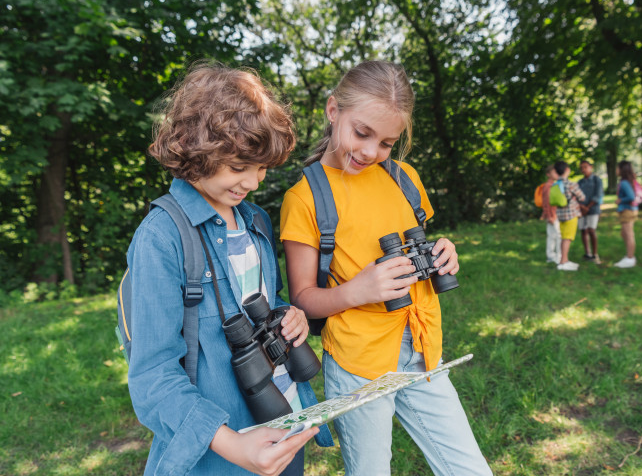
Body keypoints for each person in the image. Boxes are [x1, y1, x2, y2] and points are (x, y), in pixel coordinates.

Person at [280, 61, 492, 476]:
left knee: (469, 468)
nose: (370, 152)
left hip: (423, 349)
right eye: (362, 133)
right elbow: (303, 300)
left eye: (386, 143)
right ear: (332, 110)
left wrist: (442, 251)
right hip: (359, 363)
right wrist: (359, 290)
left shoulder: (403, 178)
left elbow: (417, 246)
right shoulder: (305, 197)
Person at [125, 61, 332, 476]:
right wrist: (234, 446)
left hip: (284, 424)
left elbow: (262, 300)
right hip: (222, 450)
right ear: (197, 151)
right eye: (239, 168)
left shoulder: (255, 220)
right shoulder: (161, 238)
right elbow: (153, 376)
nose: (254, 182)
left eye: (262, 169)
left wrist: (289, 315)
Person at [553, 161, 586, 271]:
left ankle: (565, 260)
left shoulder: (555, 184)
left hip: (560, 215)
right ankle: (563, 262)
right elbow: (582, 197)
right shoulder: (571, 184)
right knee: (567, 238)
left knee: (564, 237)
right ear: (567, 170)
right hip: (571, 214)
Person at [577, 160, 604, 264]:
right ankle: (587, 253)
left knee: (591, 230)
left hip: (593, 209)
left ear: (590, 167)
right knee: (583, 230)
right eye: (582, 168)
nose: (584, 169)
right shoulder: (580, 182)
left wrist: (588, 207)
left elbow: (598, 194)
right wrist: (581, 207)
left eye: (585, 167)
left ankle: (595, 254)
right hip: (582, 209)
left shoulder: (597, 180)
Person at [614, 160, 639, 268]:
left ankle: (630, 258)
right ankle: (629, 256)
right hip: (630, 210)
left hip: (627, 210)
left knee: (628, 234)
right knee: (625, 233)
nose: (616, 170)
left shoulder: (624, 182)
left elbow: (631, 196)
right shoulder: (627, 181)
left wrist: (620, 200)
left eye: (617, 168)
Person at [540, 164, 561, 264]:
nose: (556, 174)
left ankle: (551, 256)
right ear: (548, 174)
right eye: (554, 172)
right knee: (557, 235)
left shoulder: (553, 185)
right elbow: (547, 202)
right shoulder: (549, 186)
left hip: (552, 214)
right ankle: (557, 257)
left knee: (552, 235)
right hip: (553, 214)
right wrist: (550, 215)